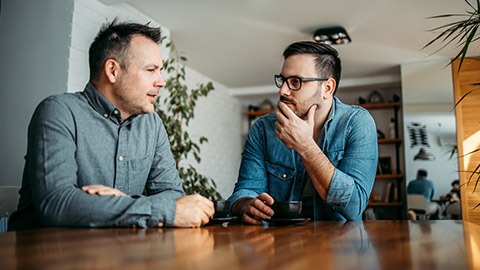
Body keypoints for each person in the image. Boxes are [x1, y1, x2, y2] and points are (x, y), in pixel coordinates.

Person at [8, 20, 214, 230]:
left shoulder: (152, 125)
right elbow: (57, 204)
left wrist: (123, 203)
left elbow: (173, 194)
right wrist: (138, 206)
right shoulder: (58, 111)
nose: (161, 81)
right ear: (113, 71)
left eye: (160, 70)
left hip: (112, 253)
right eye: (151, 70)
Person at [228, 41, 378, 224]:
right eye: (283, 80)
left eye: (295, 82)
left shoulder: (356, 123)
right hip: (277, 243)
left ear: (327, 88)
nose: (283, 90)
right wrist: (245, 204)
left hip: (339, 244)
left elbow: (354, 207)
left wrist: (305, 146)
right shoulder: (262, 129)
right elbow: (245, 191)